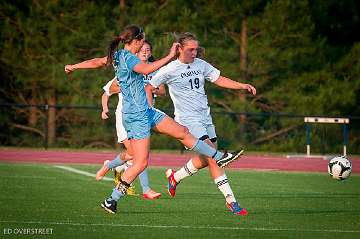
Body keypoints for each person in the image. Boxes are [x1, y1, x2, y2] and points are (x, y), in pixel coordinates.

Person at [65, 25, 243, 214]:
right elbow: (147, 68)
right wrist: (169, 56)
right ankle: (112, 200)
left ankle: (219, 157)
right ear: (138, 40)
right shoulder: (128, 58)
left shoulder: (118, 55)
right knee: (140, 163)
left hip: (146, 111)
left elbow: (96, 62)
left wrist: (74, 66)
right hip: (136, 116)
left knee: (183, 132)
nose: (144, 45)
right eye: (143, 40)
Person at [147, 32, 256, 216]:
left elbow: (219, 79)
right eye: (190, 49)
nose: (194, 53)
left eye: (196, 49)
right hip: (188, 120)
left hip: (205, 117)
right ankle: (232, 202)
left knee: (207, 158)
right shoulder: (169, 69)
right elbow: (149, 86)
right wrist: (149, 108)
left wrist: (242, 85)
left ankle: (175, 177)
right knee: (214, 157)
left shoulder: (200, 64)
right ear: (179, 49)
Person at [65, 41, 163, 200]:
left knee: (133, 154)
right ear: (135, 52)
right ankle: (145, 189)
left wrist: (151, 87)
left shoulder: (152, 72)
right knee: (139, 155)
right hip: (127, 116)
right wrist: (104, 108)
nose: (145, 52)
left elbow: (162, 90)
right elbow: (107, 90)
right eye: (142, 49)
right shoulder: (124, 71)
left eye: (148, 49)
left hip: (143, 115)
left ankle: (109, 166)